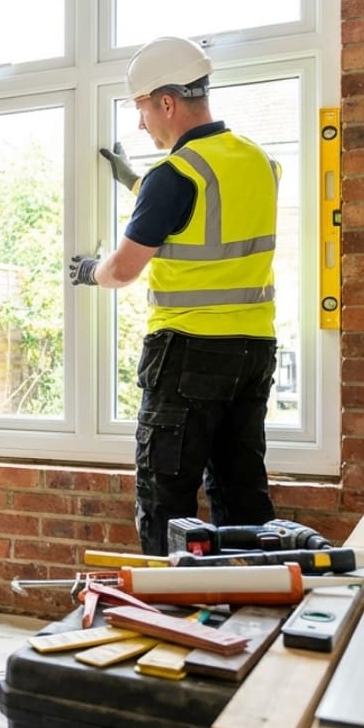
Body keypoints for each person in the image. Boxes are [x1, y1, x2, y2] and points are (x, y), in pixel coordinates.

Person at [67, 36, 281, 555]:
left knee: (167, 499)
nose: (142, 124)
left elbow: (122, 270)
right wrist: (137, 183)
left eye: (142, 109)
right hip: (253, 350)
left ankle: (171, 621)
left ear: (167, 102)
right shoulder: (259, 160)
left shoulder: (176, 174)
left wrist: (90, 270)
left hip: (189, 353)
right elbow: (204, 215)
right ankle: (248, 613)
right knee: (241, 493)